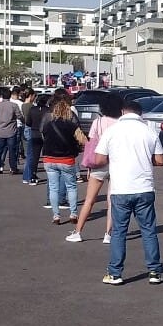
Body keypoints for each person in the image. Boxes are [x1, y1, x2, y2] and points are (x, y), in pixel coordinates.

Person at [92, 100, 163, 285]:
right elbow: (160, 160)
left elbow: (99, 159)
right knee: (149, 231)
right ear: (140, 114)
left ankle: (115, 273)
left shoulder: (112, 131)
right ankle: (154, 271)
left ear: (123, 111)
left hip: (121, 188)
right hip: (144, 188)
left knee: (119, 232)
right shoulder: (149, 131)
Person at [66, 92, 124, 243]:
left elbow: (91, 145)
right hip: (117, 164)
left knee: (89, 200)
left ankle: (78, 232)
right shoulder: (121, 123)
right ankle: (108, 234)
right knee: (112, 202)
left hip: (99, 163)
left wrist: (90, 165)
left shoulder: (98, 122)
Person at [40, 95, 82, 224]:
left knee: (53, 188)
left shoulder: (48, 125)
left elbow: (43, 137)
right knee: (71, 187)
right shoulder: (71, 126)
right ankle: (73, 214)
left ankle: (56, 216)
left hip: (49, 158)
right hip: (66, 159)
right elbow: (82, 140)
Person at [0, 87, 23, 175]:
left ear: (2, 96)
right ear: (10, 96)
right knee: (12, 150)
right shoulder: (13, 106)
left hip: (0, 131)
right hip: (11, 131)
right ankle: (13, 168)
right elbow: (19, 116)